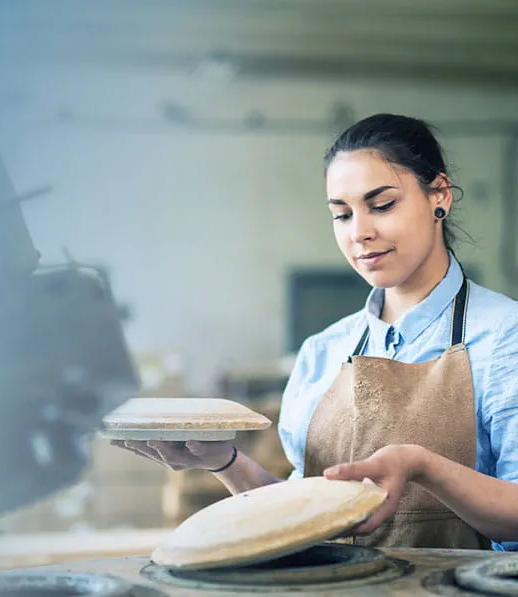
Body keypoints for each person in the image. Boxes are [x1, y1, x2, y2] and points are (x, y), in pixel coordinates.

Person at [113, 113, 518, 551]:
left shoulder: (503, 337)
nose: (360, 233)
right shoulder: (323, 352)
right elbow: (301, 515)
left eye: (382, 205)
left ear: (439, 195)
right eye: (342, 215)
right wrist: (223, 460)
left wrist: (423, 467)